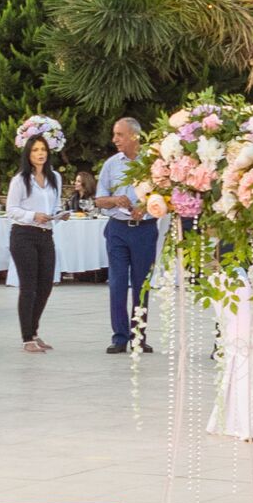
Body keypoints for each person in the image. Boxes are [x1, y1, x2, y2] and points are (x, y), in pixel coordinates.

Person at [93, 112, 159, 355]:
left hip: (144, 230)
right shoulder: (111, 164)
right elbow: (99, 199)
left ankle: (139, 336)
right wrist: (113, 199)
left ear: (134, 136)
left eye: (119, 134)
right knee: (118, 284)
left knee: (142, 284)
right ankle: (119, 337)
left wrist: (147, 206)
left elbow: (165, 197)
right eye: (114, 134)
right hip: (118, 229)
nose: (115, 139)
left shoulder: (153, 164)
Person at [5, 132, 65, 351]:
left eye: (43, 150)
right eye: (35, 150)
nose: (40, 154)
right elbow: (11, 210)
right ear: (28, 154)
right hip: (24, 234)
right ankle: (26, 337)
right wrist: (33, 216)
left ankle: (34, 329)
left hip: (45, 234)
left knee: (46, 285)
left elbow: (55, 205)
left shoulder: (55, 178)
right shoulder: (20, 180)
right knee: (28, 286)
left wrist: (59, 214)